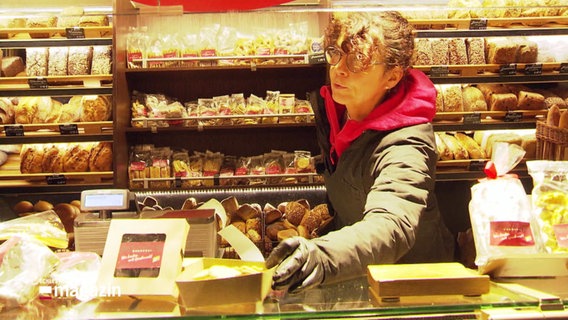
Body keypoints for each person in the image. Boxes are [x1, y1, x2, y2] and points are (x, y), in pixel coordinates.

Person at [265, 11, 455, 293]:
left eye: (358, 60)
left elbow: (392, 225)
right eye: (336, 53)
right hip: (361, 277)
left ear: (391, 77)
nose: (340, 69)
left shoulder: (407, 143)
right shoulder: (342, 110)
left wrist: (324, 256)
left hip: (412, 290)